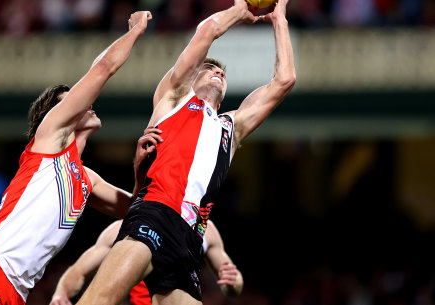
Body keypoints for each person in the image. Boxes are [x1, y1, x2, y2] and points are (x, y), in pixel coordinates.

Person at [77, 0, 295, 304]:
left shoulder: (231, 128)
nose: (217, 72)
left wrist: (279, 18)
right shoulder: (174, 97)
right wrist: (239, 11)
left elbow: (284, 81)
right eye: (209, 68)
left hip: (190, 242)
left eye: (222, 73)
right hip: (154, 215)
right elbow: (207, 31)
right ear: (192, 78)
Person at [0, 11, 159, 305]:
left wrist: (139, 172)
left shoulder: (86, 179)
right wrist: (134, 32)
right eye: (69, 101)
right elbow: (103, 67)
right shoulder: (49, 141)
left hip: (17, 292)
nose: (86, 102)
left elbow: (134, 212)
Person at [49, 219, 243, 305]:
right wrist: (61, 293)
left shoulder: (204, 229)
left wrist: (233, 283)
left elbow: (233, 282)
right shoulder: (125, 228)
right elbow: (78, 271)